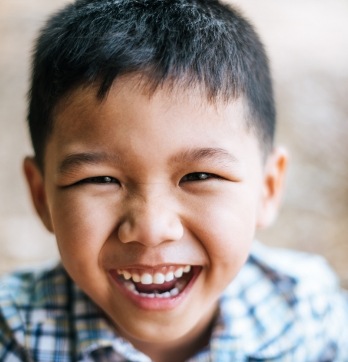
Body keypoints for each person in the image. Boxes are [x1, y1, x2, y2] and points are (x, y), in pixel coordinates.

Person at [0, 0, 347, 360]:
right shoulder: (14, 334)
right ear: (41, 196)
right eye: (101, 179)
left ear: (268, 188)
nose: (151, 228)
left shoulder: (307, 316)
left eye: (200, 176)